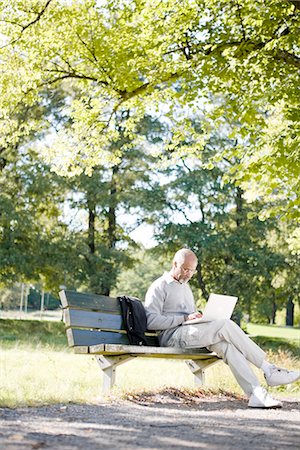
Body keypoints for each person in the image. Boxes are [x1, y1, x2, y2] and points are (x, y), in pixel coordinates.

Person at [145, 248, 300, 408]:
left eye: (191, 270)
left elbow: (188, 316)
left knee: (227, 347)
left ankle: (256, 393)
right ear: (174, 263)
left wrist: (199, 318)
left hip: (190, 333)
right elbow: (151, 321)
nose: (188, 274)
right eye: (185, 269)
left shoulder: (185, 286)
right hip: (172, 338)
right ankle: (269, 369)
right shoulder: (159, 286)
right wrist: (184, 318)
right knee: (225, 325)